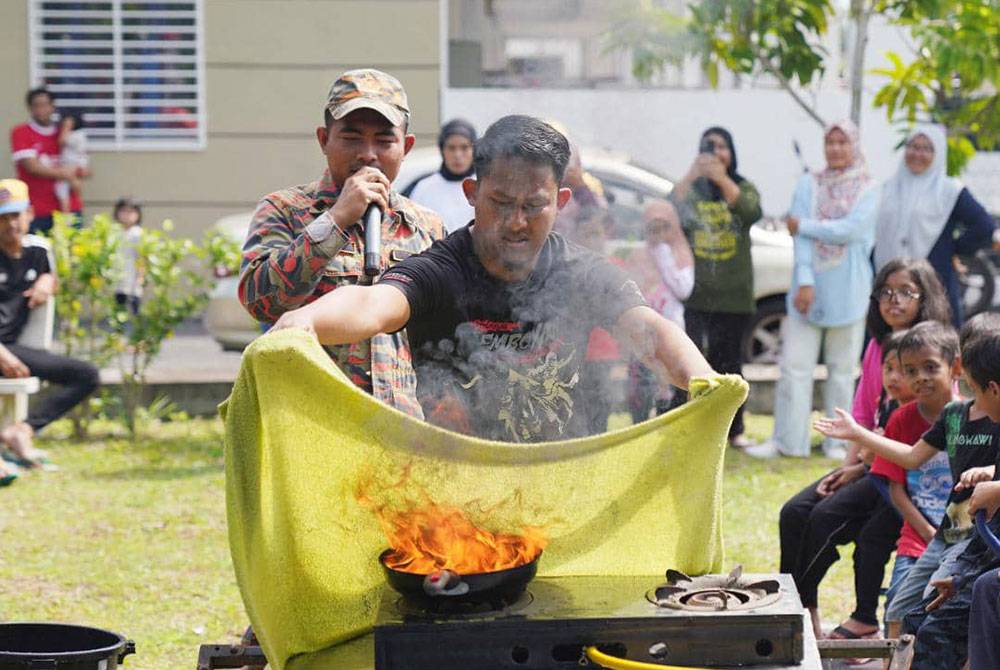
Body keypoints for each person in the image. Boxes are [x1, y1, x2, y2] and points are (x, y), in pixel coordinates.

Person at [270, 114, 714, 443]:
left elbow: (649, 330)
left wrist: (703, 380)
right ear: (472, 194)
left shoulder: (582, 272)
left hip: (554, 480)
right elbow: (372, 304)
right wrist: (304, 321)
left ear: (559, 201)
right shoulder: (442, 268)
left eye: (533, 206)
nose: (516, 222)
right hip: (453, 488)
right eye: (500, 202)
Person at [238, 69, 444, 419]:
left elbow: (441, 340)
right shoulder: (283, 210)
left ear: (406, 147)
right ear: (323, 140)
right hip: (313, 423)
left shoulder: (426, 225)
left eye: (384, 141)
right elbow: (261, 302)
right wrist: (335, 220)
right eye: (351, 138)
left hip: (400, 429)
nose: (368, 154)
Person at [815, 321, 1000, 641]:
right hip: (948, 531)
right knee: (900, 608)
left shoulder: (996, 416)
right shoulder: (954, 415)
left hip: (978, 538)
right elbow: (912, 457)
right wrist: (859, 434)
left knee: (942, 615)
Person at [748, 120, 878, 460]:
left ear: (855, 145)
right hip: (808, 289)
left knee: (842, 371)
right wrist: (804, 280)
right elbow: (801, 242)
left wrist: (804, 224)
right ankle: (788, 441)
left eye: (842, 142)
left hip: (849, 289)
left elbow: (852, 230)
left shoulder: (869, 188)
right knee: (794, 368)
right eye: (829, 142)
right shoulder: (809, 184)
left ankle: (839, 443)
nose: (835, 148)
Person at [779, 332, 911, 642]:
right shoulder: (889, 399)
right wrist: (853, 468)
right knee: (794, 511)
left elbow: (905, 460)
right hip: (875, 477)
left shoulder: (921, 408)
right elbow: (871, 453)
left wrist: (865, 458)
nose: (894, 376)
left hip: (893, 489)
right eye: (888, 368)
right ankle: (800, 603)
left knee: (834, 522)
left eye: (905, 369)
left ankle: (806, 606)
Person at [887, 316, 1000, 670]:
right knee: (917, 618)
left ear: (993, 389)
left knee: (943, 628)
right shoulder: (956, 415)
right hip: (978, 555)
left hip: (983, 564)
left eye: (974, 390)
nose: (974, 401)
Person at [669, 126, 762, 449]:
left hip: (733, 296)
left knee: (730, 365)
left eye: (723, 146)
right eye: (710, 147)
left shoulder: (741, 186)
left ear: (732, 152)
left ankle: (734, 430)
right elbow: (668, 211)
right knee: (690, 363)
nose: (717, 152)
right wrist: (693, 173)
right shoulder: (691, 189)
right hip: (696, 295)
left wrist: (722, 179)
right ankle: (691, 425)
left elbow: (751, 212)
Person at [0, 179, 99, 467]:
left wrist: (48, 281)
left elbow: (49, 275)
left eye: (15, 215)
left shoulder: (39, 252)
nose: (10, 224)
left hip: (13, 347)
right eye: (2, 218)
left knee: (86, 375)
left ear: (29, 214)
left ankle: (22, 431)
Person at [868, 330, 955, 640]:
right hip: (918, 536)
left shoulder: (969, 417)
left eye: (930, 367)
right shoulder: (901, 420)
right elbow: (895, 488)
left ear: (954, 368)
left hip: (962, 538)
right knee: (897, 605)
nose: (921, 378)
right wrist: (928, 532)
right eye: (911, 371)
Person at [874, 124, 997, 325]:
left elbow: (983, 226)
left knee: (932, 345)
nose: (918, 154)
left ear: (938, 154)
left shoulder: (949, 190)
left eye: (927, 148)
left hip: (932, 282)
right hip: (890, 283)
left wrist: (953, 249)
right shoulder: (888, 188)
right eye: (913, 146)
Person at [626, 199, 694, 421]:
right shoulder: (639, 254)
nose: (659, 233)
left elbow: (683, 290)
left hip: (670, 334)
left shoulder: (679, 254)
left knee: (670, 386)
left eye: (665, 226)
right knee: (641, 387)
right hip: (642, 334)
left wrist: (664, 255)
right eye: (653, 227)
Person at [9, 89, 86, 234]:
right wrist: (66, 174)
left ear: (52, 107)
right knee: (37, 254)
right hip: (37, 210)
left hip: (70, 209)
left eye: (45, 105)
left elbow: (81, 163)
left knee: (70, 253)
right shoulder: (21, 132)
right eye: (36, 105)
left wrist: (79, 171)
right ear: (30, 108)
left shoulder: (63, 133)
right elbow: (31, 167)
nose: (41, 110)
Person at [406, 118, 476, 234]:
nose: (458, 155)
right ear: (442, 150)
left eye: (464, 148)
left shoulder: (484, 185)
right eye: (451, 148)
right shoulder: (424, 188)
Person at [54, 112, 88, 219]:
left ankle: (68, 215)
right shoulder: (78, 135)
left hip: (73, 164)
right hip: (70, 164)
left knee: (66, 189)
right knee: (62, 190)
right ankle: (67, 214)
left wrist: (66, 128)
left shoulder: (77, 135)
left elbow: (62, 141)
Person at [113, 198, 143, 314]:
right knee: (118, 309)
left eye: (131, 212)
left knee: (134, 307)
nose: (127, 215)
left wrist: (141, 276)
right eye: (123, 211)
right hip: (117, 277)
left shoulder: (138, 233)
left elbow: (141, 257)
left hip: (133, 276)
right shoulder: (114, 232)